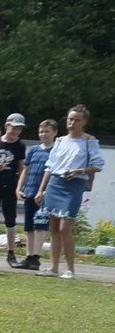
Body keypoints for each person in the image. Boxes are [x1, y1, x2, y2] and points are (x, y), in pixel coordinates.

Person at [34, 103, 105, 280]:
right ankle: (53, 267)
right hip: (55, 184)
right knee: (54, 227)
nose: (72, 123)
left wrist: (80, 171)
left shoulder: (89, 141)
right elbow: (49, 167)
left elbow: (98, 165)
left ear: (84, 122)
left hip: (73, 184)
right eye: (70, 119)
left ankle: (70, 269)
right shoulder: (60, 141)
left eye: (76, 120)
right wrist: (41, 189)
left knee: (66, 227)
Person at [0, 114, 27, 266]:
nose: (15, 131)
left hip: (10, 185)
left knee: (10, 218)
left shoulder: (20, 145)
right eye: (13, 127)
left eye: (19, 128)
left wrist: (21, 185)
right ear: (6, 125)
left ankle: (11, 253)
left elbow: (21, 167)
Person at [13, 117, 57, 271]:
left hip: (44, 194)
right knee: (29, 226)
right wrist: (19, 187)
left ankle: (36, 257)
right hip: (29, 191)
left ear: (54, 133)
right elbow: (25, 170)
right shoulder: (33, 150)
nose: (43, 134)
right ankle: (29, 255)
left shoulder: (56, 151)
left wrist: (44, 191)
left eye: (47, 131)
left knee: (40, 224)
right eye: (41, 131)